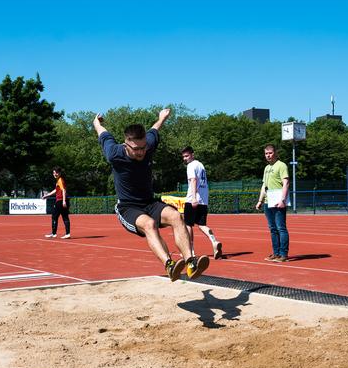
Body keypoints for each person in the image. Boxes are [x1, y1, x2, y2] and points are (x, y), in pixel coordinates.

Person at [94, 108, 208, 281]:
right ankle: (169, 265)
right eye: (136, 149)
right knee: (149, 224)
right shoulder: (114, 153)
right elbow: (103, 133)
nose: (141, 152)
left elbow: (155, 128)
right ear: (126, 144)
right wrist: (97, 122)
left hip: (149, 202)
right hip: (128, 207)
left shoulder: (149, 144)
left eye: (143, 147)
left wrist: (162, 117)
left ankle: (191, 263)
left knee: (176, 216)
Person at [181, 146, 223, 259]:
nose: (185, 158)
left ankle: (190, 251)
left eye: (187, 155)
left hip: (192, 199)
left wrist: (194, 197)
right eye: (184, 156)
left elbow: (193, 180)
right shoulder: (201, 165)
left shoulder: (191, 165)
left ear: (192, 155)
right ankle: (214, 241)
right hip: (203, 200)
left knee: (188, 225)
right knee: (202, 225)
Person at [255, 144, 290, 262]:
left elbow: (286, 183)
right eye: (266, 153)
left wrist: (283, 200)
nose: (268, 155)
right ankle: (276, 253)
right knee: (272, 228)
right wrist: (260, 200)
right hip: (267, 201)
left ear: (275, 153)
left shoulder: (281, 165)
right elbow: (264, 186)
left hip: (278, 201)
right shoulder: (266, 168)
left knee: (281, 228)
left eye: (270, 153)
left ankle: (283, 254)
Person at [42, 167, 71, 239]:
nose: (55, 174)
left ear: (60, 173)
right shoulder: (59, 180)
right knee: (65, 217)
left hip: (60, 201)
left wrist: (63, 201)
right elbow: (56, 190)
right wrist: (47, 195)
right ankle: (67, 234)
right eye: (54, 173)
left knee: (54, 216)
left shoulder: (60, 180)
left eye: (56, 173)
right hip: (63, 200)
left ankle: (54, 233)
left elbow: (63, 190)